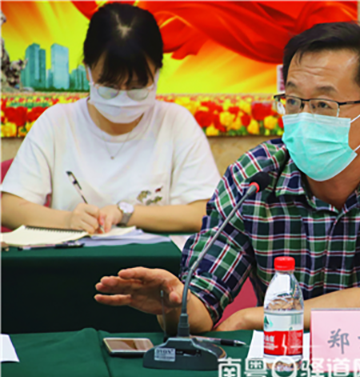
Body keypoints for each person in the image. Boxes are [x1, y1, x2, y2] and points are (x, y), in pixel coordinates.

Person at [95, 22, 360, 333]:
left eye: (323, 105)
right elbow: (202, 300)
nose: (303, 118)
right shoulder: (255, 176)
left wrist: (256, 317)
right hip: (279, 369)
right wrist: (175, 303)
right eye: (293, 101)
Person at [1, 3, 220, 233]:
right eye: (109, 87)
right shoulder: (58, 122)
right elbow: (9, 207)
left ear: (156, 73)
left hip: (156, 256)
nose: (123, 97)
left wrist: (126, 213)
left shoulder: (175, 122)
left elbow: (205, 213)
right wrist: (67, 221)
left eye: (136, 88)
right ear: (88, 70)